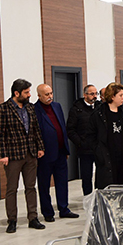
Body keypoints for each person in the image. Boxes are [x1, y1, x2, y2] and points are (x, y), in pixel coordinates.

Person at [0, 78, 46, 233]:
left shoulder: (30, 108)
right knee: (12, 189)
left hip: (30, 153)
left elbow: (36, 129)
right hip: (13, 155)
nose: (29, 95)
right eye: (26, 92)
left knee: (31, 187)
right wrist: (2, 154)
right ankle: (12, 220)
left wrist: (40, 147)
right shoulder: (2, 109)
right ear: (16, 93)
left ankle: (33, 218)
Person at [34, 84, 79, 222]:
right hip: (45, 154)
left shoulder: (57, 106)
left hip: (60, 152)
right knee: (44, 185)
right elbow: (35, 133)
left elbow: (62, 128)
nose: (50, 96)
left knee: (62, 182)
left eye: (51, 93)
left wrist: (66, 148)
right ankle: (48, 212)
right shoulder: (34, 110)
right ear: (39, 96)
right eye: (46, 94)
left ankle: (64, 209)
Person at [87, 82, 123, 189]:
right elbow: (90, 136)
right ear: (112, 97)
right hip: (107, 158)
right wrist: (98, 151)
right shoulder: (99, 114)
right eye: (120, 95)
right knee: (109, 187)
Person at [67, 84, 100, 195]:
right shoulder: (76, 109)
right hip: (85, 149)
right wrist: (80, 143)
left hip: (99, 147)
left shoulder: (100, 107)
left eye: (96, 93)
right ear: (85, 95)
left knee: (102, 174)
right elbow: (70, 130)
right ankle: (88, 198)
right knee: (86, 176)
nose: (94, 96)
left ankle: (100, 197)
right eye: (92, 94)